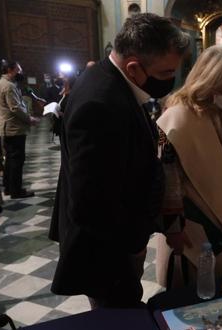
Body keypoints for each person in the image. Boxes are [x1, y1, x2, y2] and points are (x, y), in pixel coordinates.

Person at [49, 13, 189, 309]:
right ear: (134, 67)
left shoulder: (107, 79)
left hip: (116, 242)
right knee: (117, 321)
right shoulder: (99, 103)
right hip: (108, 253)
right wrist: (134, 245)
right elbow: (91, 202)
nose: (170, 81)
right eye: (165, 73)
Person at [155, 46, 222, 288]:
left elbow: (221, 161)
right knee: (194, 291)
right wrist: (173, 228)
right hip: (193, 225)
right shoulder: (176, 118)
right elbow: (165, 181)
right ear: (205, 84)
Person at [0, 60, 38, 199]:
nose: (21, 73)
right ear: (11, 70)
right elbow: (15, 108)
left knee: (10, 160)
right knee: (17, 160)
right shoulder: (9, 86)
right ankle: (16, 190)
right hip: (13, 128)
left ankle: (8, 187)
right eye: (19, 70)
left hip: (7, 127)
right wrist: (29, 119)